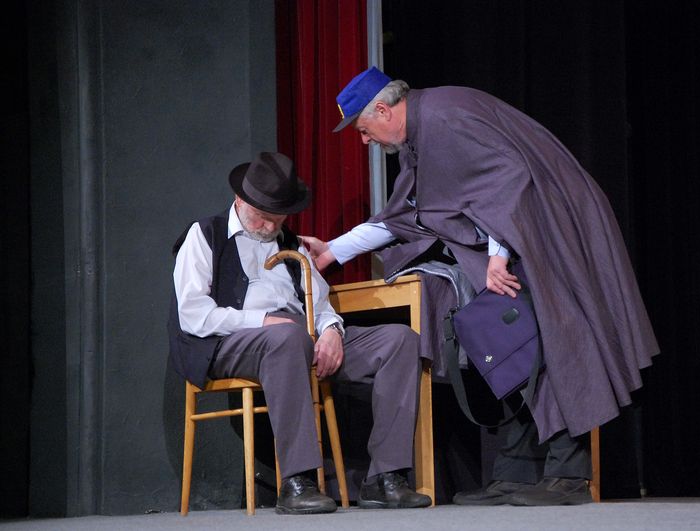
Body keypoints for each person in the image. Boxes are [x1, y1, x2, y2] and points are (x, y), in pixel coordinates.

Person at [303, 67, 660, 506]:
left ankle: (568, 476)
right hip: (518, 229)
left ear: (383, 109)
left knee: (552, 337)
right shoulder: (420, 137)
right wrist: (332, 251)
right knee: (510, 343)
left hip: (549, 220)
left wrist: (498, 254)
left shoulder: (446, 118)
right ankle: (516, 473)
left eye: (363, 129)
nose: (364, 141)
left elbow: (507, 180)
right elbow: (409, 214)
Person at [168, 152, 432, 514]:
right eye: (261, 216)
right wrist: (264, 321)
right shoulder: (206, 234)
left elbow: (319, 304)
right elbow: (193, 315)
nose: (268, 227)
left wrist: (331, 331)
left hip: (297, 337)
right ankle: (297, 481)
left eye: (277, 219)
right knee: (288, 338)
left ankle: (385, 479)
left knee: (399, 340)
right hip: (229, 342)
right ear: (240, 200)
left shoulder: (289, 243)